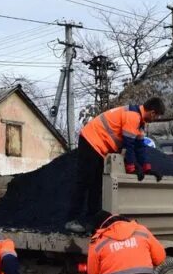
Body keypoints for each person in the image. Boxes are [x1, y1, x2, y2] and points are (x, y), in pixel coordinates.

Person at [65, 97, 166, 234]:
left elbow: (140, 148)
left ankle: (92, 220)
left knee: (96, 184)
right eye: (157, 116)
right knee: (84, 181)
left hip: (99, 147)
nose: (155, 119)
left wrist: (147, 168)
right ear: (153, 112)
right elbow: (128, 145)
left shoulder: (139, 123)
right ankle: (71, 220)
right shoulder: (133, 117)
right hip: (90, 141)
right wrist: (131, 168)